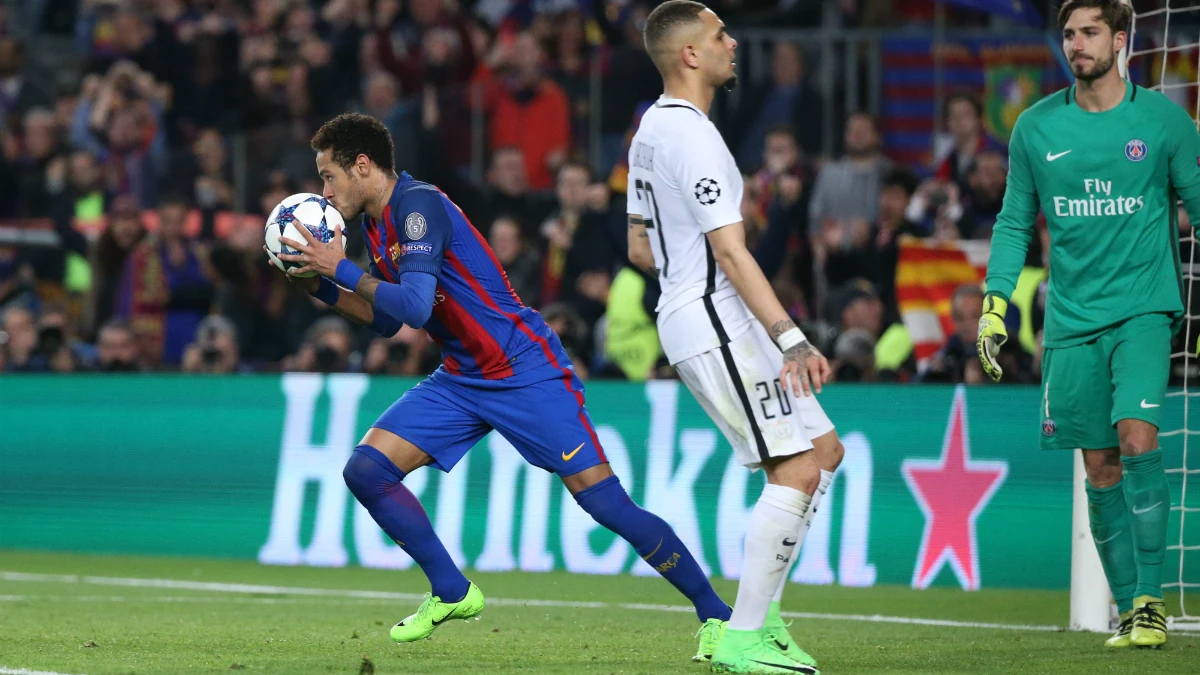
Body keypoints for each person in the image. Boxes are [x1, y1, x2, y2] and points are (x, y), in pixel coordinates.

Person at [272, 112, 731, 655]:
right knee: (367, 469)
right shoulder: (375, 225)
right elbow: (388, 319)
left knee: (604, 503)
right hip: (463, 376)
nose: (324, 190)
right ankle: (451, 589)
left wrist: (339, 268)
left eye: (328, 175)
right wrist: (318, 287)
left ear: (362, 165)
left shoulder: (418, 207)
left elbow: (416, 308)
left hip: (522, 369)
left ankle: (718, 615)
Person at [628, 3, 844, 673]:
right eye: (720, 33)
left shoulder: (649, 130)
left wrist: (685, 273)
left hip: (701, 312)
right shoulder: (695, 137)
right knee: (797, 469)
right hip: (717, 317)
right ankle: (741, 634)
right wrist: (791, 337)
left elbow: (640, 244)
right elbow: (731, 251)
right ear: (690, 54)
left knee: (824, 452)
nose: (732, 41)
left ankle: (764, 619)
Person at [977, 0, 1200, 650]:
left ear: (1121, 40)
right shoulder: (1036, 128)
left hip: (1143, 310)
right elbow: (1015, 221)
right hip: (1071, 322)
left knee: (1137, 437)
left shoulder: (1164, 122)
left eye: (1090, 32)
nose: (1076, 43)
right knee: (1099, 465)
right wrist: (996, 302)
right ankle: (1130, 608)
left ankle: (1154, 600)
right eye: (1069, 33)